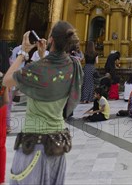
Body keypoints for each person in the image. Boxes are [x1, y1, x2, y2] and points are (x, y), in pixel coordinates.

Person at [3, 22, 83, 185]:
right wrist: (42, 55)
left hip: (34, 146)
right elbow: (53, 75)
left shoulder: (37, 68)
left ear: (51, 40)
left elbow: (7, 81)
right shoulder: (73, 65)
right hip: (58, 144)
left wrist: (23, 53)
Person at [0, 72, 9, 185]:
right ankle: (1, 178)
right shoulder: (2, 76)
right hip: (1, 109)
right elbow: (6, 100)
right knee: (1, 146)